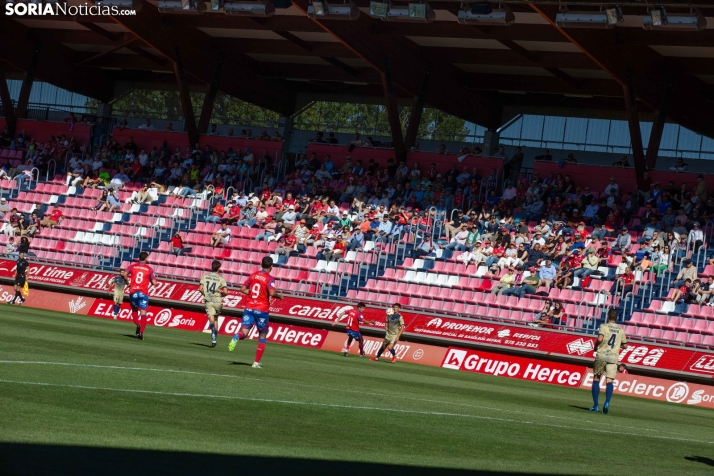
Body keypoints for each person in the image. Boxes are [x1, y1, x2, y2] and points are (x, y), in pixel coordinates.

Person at [228, 256, 284, 368]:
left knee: (244, 333)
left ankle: (236, 336)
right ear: (271, 266)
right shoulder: (269, 278)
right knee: (262, 335)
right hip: (262, 309)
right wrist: (280, 296)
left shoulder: (253, 275)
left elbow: (242, 289)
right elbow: (272, 293)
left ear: (261, 264)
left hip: (249, 308)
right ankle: (256, 363)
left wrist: (253, 294)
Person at [590, 309, 627, 414]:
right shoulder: (621, 329)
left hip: (602, 356)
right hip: (613, 358)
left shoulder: (604, 326)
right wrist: (618, 344)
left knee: (596, 378)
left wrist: (595, 346)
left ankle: (596, 405)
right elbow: (625, 345)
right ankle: (606, 402)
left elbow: (600, 339)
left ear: (607, 317)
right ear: (617, 318)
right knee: (609, 381)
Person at [126, 251, 158, 340]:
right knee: (143, 313)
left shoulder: (132, 266)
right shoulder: (149, 269)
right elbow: (154, 283)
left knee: (134, 310)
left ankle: (138, 325)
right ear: (146, 258)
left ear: (139, 258)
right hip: (143, 293)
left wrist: (127, 282)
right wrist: (153, 282)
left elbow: (124, 274)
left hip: (133, 292)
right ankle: (141, 332)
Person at [200, 260, 228, 348]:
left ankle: (213, 334)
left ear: (211, 267)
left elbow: (200, 288)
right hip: (218, 301)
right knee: (216, 319)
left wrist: (205, 294)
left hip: (209, 300)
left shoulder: (205, 277)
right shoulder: (221, 279)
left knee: (211, 320)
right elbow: (226, 292)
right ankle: (215, 337)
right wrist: (221, 294)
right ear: (219, 268)